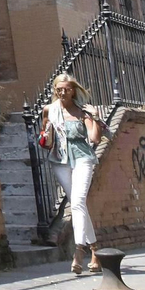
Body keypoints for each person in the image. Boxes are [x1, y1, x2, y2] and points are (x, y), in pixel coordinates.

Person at [41, 73, 105, 274]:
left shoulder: (82, 112)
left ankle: (79, 251)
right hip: (60, 159)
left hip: (82, 157)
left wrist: (95, 117)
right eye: (58, 89)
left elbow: (94, 139)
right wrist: (46, 134)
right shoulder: (49, 110)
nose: (62, 92)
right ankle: (95, 250)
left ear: (73, 90)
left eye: (66, 89)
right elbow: (45, 134)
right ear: (55, 90)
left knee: (77, 202)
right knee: (78, 204)